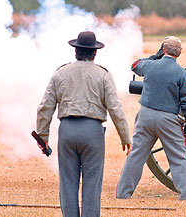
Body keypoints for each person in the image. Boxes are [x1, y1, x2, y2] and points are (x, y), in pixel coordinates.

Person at [36, 31, 132, 217]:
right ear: (95, 53)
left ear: (75, 52)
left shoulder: (60, 73)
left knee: (68, 183)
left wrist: (43, 137)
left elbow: (45, 107)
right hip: (93, 132)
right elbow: (115, 108)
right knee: (92, 184)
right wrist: (125, 137)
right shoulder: (103, 75)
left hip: (67, 131)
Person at [116, 36, 186, 200]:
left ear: (164, 49)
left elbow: (135, 65)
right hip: (168, 118)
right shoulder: (182, 73)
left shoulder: (150, 65)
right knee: (180, 156)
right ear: (179, 53)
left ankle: (123, 193)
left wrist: (155, 57)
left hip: (145, 116)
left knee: (136, 155)